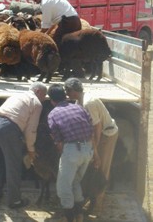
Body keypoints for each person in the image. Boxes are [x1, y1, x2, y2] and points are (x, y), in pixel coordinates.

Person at [64, 78, 118, 218]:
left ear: (73, 91)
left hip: (106, 134)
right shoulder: (79, 101)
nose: (67, 95)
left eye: (67, 91)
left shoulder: (88, 103)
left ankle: (98, 205)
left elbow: (96, 128)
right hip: (95, 135)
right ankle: (90, 197)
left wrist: (95, 149)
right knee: (93, 166)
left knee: (102, 167)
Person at [0, 82, 47, 208]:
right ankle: (14, 201)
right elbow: (31, 129)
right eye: (44, 95)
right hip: (8, 128)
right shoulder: (36, 102)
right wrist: (31, 149)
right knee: (13, 166)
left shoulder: (16, 95)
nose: (44, 99)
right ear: (38, 91)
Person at [47, 84, 94, 222]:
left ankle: (69, 217)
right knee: (75, 182)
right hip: (88, 149)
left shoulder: (53, 114)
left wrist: (66, 154)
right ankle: (79, 215)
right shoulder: (79, 107)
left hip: (72, 151)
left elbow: (58, 141)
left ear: (51, 101)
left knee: (63, 187)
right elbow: (91, 127)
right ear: (65, 96)